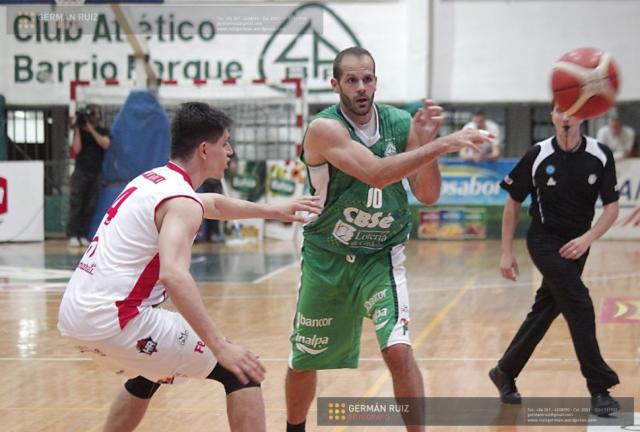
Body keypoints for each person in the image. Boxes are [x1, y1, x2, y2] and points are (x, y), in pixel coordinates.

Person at [58, 102, 322, 432]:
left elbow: (211, 204)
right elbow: (173, 274)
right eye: (225, 142)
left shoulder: (153, 180)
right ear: (203, 149)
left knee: (150, 374)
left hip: (73, 315)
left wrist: (272, 210)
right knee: (242, 372)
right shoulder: (182, 202)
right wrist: (220, 346)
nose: (230, 151)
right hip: (117, 320)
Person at [285, 47, 492, 432]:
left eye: (367, 79)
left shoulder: (399, 123)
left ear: (376, 82)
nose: (361, 87)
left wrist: (427, 149)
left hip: (381, 253)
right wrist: (443, 143)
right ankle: (293, 427)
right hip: (327, 254)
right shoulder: (323, 128)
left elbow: (428, 195)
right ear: (336, 85)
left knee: (398, 350)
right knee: (305, 358)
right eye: (351, 80)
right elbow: (377, 174)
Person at [491, 103, 621, 416]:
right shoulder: (537, 155)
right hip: (544, 241)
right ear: (552, 116)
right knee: (579, 303)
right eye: (560, 110)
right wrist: (507, 253)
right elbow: (512, 204)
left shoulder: (601, 154)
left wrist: (587, 239)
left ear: (583, 116)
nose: (566, 116)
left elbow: (612, 207)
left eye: (573, 111)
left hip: (579, 243)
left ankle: (505, 371)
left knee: (546, 308)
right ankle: (599, 388)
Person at [67, 104, 111, 247]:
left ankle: (83, 234)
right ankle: (73, 234)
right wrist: (78, 129)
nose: (96, 116)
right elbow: (76, 149)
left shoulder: (103, 131)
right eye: (93, 113)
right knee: (76, 204)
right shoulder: (80, 131)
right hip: (80, 172)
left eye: (97, 113)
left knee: (89, 206)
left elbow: (105, 144)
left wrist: (90, 129)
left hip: (95, 173)